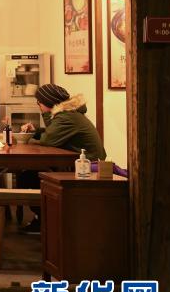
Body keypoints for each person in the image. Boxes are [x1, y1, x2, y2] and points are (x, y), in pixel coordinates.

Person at [17, 84, 107, 234]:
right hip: (81, 164)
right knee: (31, 174)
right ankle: (45, 218)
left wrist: (40, 125)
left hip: (87, 168)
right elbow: (52, 132)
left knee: (28, 177)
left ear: (48, 102)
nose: (38, 105)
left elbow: (48, 140)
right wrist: (37, 131)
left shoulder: (66, 117)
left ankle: (45, 220)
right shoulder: (68, 114)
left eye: (39, 102)